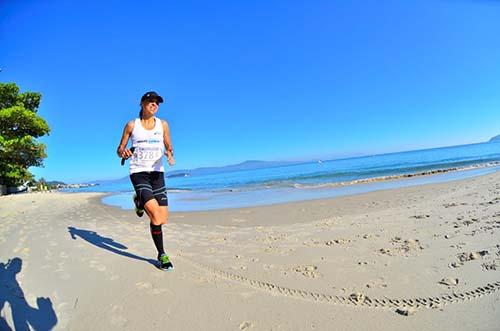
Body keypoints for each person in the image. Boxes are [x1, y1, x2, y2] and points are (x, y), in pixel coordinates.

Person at [116, 91, 175, 270]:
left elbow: (168, 145)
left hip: (157, 173)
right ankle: (162, 254)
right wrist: (123, 152)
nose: (154, 104)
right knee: (155, 216)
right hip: (139, 172)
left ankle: (139, 201)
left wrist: (170, 154)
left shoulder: (163, 124)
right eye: (151, 101)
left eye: (157, 102)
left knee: (162, 218)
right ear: (142, 103)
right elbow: (119, 149)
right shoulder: (132, 125)